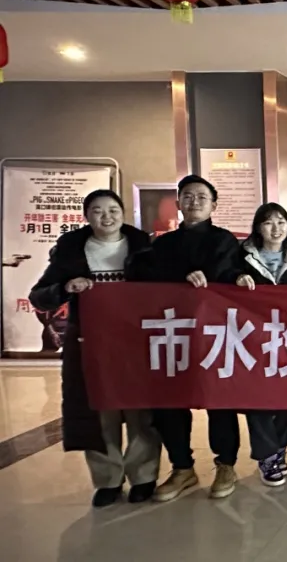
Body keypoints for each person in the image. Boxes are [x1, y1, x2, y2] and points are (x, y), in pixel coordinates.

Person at [29, 189, 160, 508]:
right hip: (90, 343)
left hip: (136, 341)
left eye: (113, 210)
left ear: (122, 213)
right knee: (99, 410)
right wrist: (65, 287)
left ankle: (143, 475)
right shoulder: (71, 250)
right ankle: (108, 479)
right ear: (87, 216)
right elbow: (40, 295)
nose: (107, 217)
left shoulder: (143, 246)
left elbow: (164, 287)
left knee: (141, 410)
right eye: (98, 211)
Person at [128, 175, 242, 502]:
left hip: (213, 332)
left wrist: (233, 278)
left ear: (214, 205)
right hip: (172, 333)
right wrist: (181, 277)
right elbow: (143, 276)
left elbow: (226, 274)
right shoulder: (161, 245)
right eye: (188, 196)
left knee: (219, 400)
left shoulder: (224, 240)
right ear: (178, 203)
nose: (194, 202)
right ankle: (182, 467)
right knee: (170, 400)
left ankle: (226, 464)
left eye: (202, 197)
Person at [232, 203, 287, 487]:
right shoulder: (242, 256)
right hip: (252, 339)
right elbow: (224, 279)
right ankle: (266, 455)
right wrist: (235, 278)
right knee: (258, 397)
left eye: (281, 222)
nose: (276, 228)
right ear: (258, 227)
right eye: (268, 222)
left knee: (284, 396)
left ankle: (280, 449)